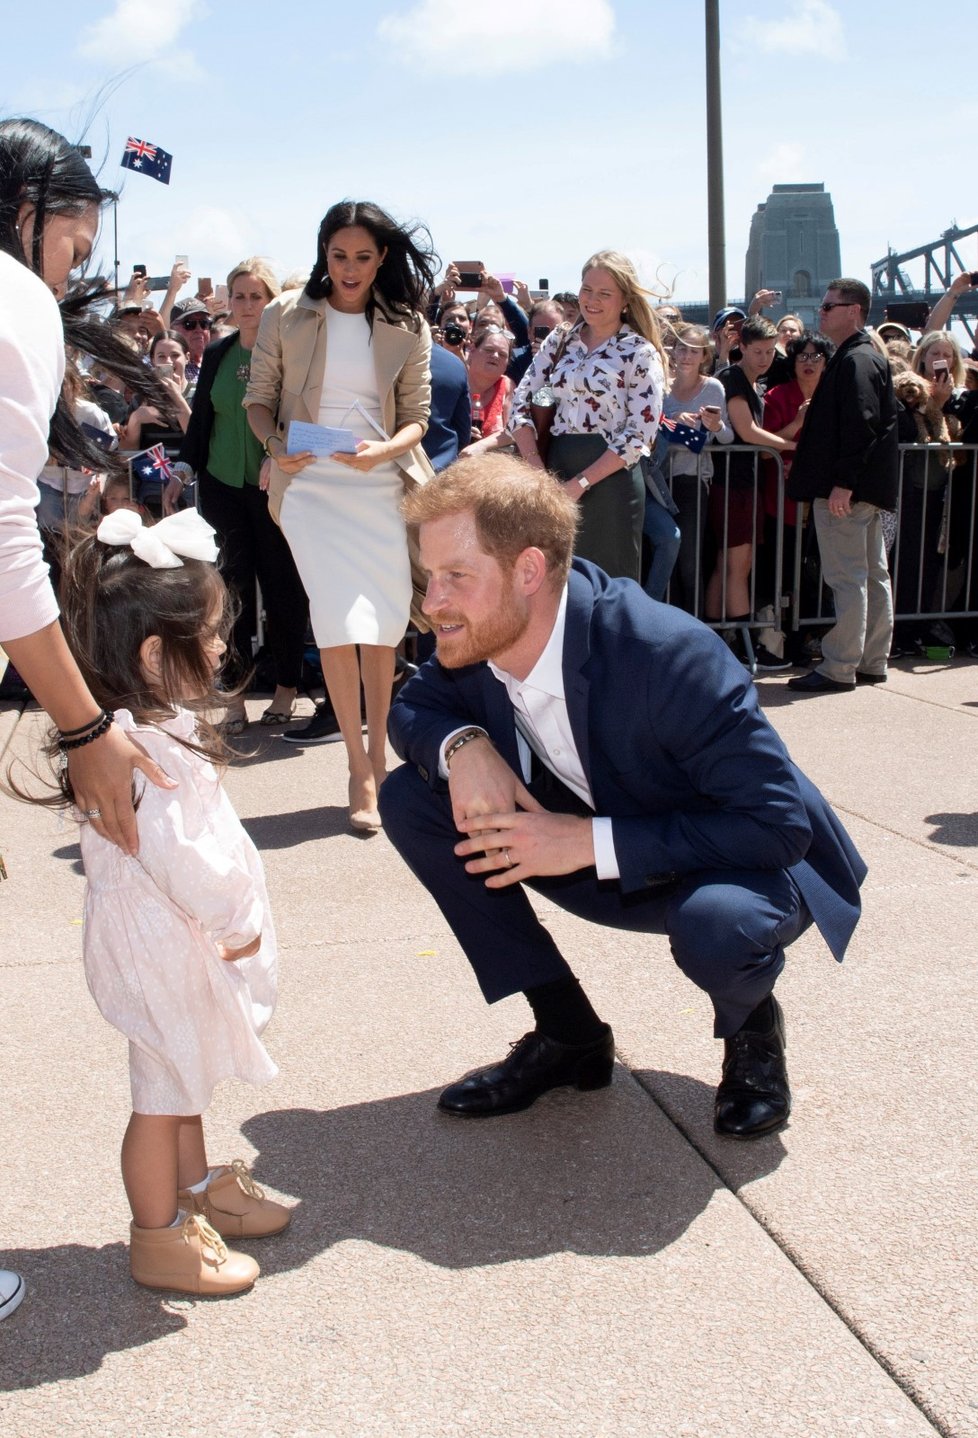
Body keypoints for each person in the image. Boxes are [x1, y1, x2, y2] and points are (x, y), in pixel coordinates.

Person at [378, 456, 865, 1137]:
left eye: (455, 578)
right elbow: (414, 708)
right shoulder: (484, 635)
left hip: (740, 859)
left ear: (526, 571)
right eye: (430, 579)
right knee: (411, 798)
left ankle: (753, 1030)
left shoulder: (666, 655)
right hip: (598, 844)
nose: (431, 604)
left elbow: (777, 826)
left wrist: (584, 842)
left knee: (718, 927)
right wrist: (464, 747)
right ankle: (569, 1035)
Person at [0, 115, 176, 1321]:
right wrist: (82, 724)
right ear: (29, 211)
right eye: (74, 231)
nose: (74, 260)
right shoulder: (11, 293)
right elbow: (2, 543)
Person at [49, 508, 288, 1296]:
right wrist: (235, 917)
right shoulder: (143, 751)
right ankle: (156, 1236)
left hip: (165, 939)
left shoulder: (150, 727)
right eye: (212, 634)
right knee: (160, 1093)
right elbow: (181, 857)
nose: (222, 646)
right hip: (165, 942)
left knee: (181, 1079)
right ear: (156, 654)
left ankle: (193, 1195)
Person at [245, 199, 436, 830]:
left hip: (378, 485)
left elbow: (417, 417)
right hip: (311, 491)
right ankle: (357, 768)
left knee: (380, 628)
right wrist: (278, 449)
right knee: (335, 619)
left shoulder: (407, 323)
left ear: (382, 258)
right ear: (323, 255)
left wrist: (384, 449)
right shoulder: (285, 314)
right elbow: (259, 402)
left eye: (362, 256)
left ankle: (381, 760)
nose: (349, 268)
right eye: (338, 255)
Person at [167, 259, 309, 734]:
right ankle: (234, 696)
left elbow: (299, 414)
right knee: (231, 594)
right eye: (240, 296)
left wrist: (280, 452)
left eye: (256, 297)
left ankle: (287, 687)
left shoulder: (289, 352)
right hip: (222, 486)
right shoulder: (218, 353)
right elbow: (205, 419)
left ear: (273, 302)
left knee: (284, 588)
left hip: (275, 487)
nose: (247, 306)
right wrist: (183, 466)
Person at [510, 249, 666, 582]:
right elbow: (523, 400)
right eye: (586, 289)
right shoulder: (560, 340)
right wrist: (538, 470)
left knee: (609, 587)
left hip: (610, 482)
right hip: (554, 470)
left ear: (625, 299)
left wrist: (581, 483)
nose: (592, 300)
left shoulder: (639, 351)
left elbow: (640, 433)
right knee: (555, 584)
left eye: (604, 293)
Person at [788, 279, 899, 693]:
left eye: (830, 306)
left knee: (849, 577)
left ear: (854, 310)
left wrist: (842, 484)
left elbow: (861, 426)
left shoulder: (857, 360)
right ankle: (871, 660)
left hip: (848, 492)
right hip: (862, 490)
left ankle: (840, 666)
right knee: (871, 574)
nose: (822, 311)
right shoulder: (862, 356)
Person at [704, 315, 796, 664]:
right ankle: (745, 648)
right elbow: (748, 433)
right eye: (757, 351)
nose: (765, 358)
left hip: (741, 484)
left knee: (726, 564)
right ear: (741, 347)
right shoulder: (733, 378)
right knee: (736, 565)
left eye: (770, 351)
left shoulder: (747, 379)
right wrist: (791, 447)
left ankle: (721, 640)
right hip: (733, 484)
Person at [645, 324, 732, 609]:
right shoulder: (660, 385)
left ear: (704, 356)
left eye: (694, 351)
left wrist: (714, 425)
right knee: (660, 553)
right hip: (655, 482)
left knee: (689, 559)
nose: (686, 356)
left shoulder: (714, 387)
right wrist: (675, 424)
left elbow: (719, 438)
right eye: (682, 348)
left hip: (691, 480)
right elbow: (650, 425)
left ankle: (693, 627)